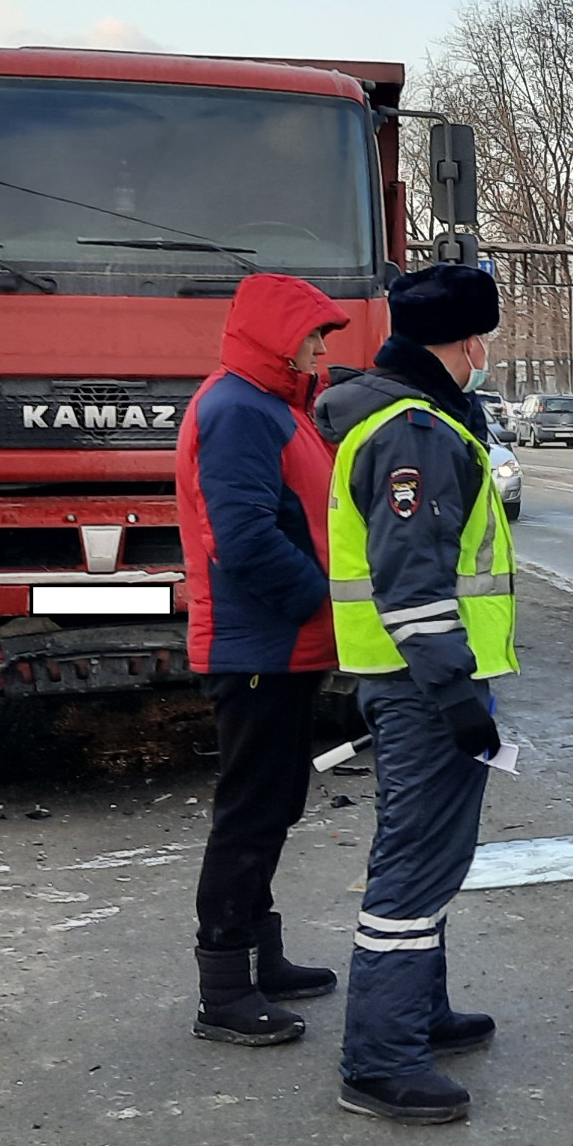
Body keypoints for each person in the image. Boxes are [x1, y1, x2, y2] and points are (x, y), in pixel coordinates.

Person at [314, 264, 515, 1123]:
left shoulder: (401, 418)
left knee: (430, 858)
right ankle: (380, 1059)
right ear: (464, 342)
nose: (481, 357)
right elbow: (414, 580)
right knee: (412, 865)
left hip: (405, 681)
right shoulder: (415, 433)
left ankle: (418, 1015)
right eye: (480, 342)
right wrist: (455, 691)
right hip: (422, 686)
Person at [174, 272, 352, 1047]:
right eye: (313, 335)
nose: (320, 350)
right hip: (258, 645)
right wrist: (324, 600)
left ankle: (260, 957)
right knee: (248, 815)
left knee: (275, 805)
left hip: (281, 644)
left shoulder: (273, 405)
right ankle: (224, 988)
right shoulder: (238, 410)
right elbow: (242, 537)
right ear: (279, 335)